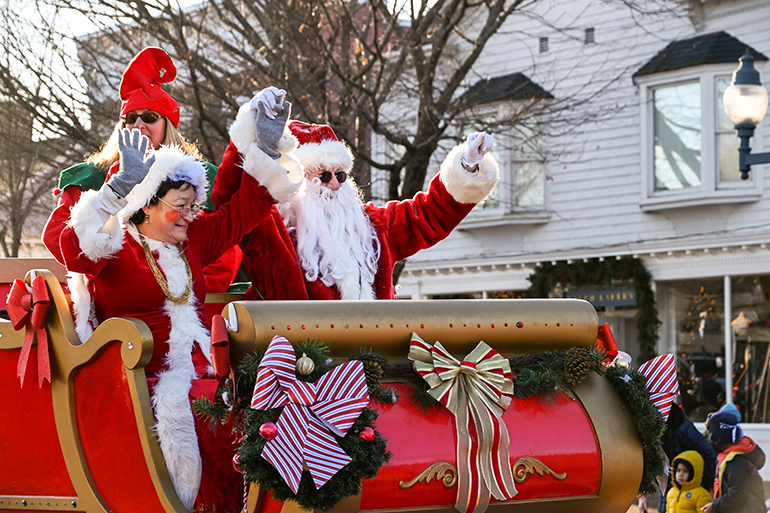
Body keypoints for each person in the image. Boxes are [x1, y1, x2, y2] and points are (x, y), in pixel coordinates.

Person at [59, 91, 295, 513]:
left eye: (194, 205)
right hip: (131, 381)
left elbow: (245, 210)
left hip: (200, 371)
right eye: (180, 206)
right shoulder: (115, 245)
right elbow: (74, 248)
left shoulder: (197, 238)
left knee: (262, 403)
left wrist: (263, 146)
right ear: (147, 206)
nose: (190, 215)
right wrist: (116, 189)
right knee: (201, 413)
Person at [212, 87, 500, 301]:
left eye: (340, 175)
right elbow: (227, 200)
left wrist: (467, 167)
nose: (336, 185)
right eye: (324, 176)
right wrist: (250, 136)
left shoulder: (372, 228)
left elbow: (427, 216)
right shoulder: (272, 231)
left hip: (372, 366)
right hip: (301, 368)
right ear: (298, 182)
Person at [42, 47, 241, 314]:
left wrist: (184, 295)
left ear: (167, 124)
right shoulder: (91, 177)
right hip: (113, 304)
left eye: (149, 117)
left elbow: (222, 253)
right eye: (130, 118)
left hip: (184, 304)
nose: (138, 125)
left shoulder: (195, 177)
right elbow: (58, 237)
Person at [656, 404, 718, 512]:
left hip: (694, 483)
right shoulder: (649, 431)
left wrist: (711, 487)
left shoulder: (679, 426)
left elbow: (709, 453)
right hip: (670, 482)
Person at [701, 409, 766, 513]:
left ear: (718, 437)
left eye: (711, 433)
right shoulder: (731, 457)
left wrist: (715, 506)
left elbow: (736, 495)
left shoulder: (736, 462)